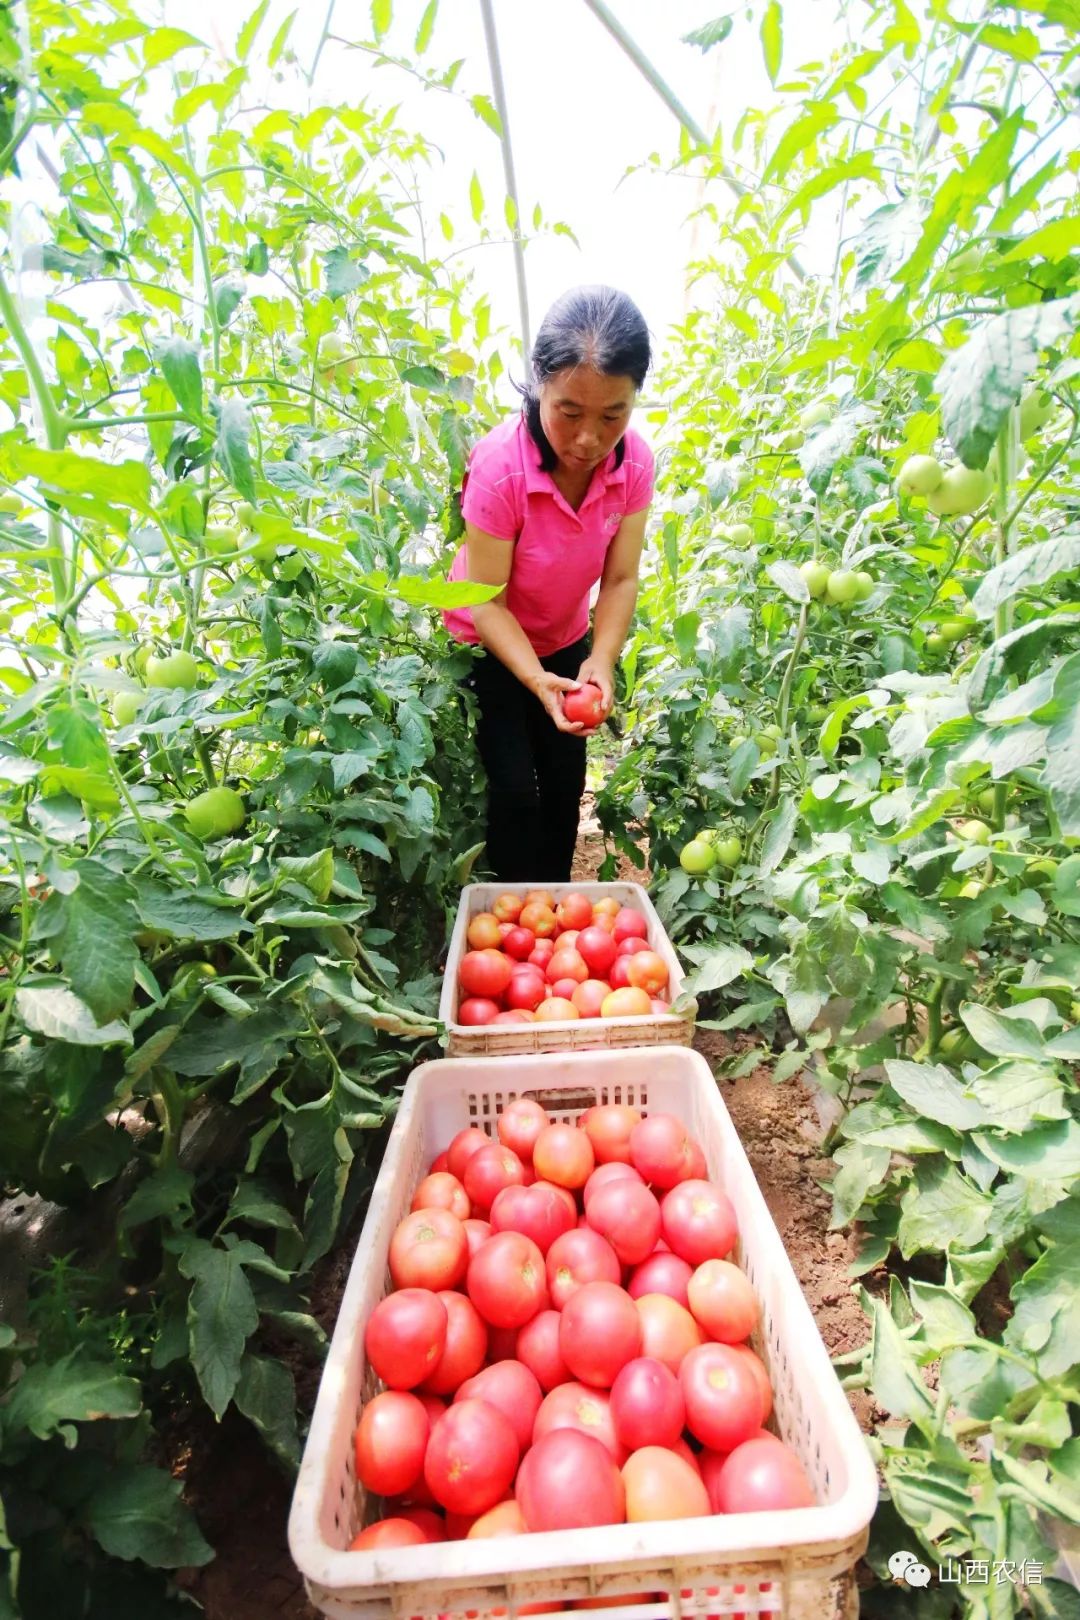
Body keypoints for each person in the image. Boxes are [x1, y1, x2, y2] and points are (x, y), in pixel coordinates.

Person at [442, 285, 654, 883]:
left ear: (634, 399)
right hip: (486, 640)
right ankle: (511, 915)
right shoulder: (499, 468)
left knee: (564, 785)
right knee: (516, 793)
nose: (589, 438)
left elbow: (619, 578)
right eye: (569, 412)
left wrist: (602, 661)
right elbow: (486, 602)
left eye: (613, 415)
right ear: (539, 384)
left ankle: (555, 909)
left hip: (563, 636)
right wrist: (534, 680)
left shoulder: (634, 463)